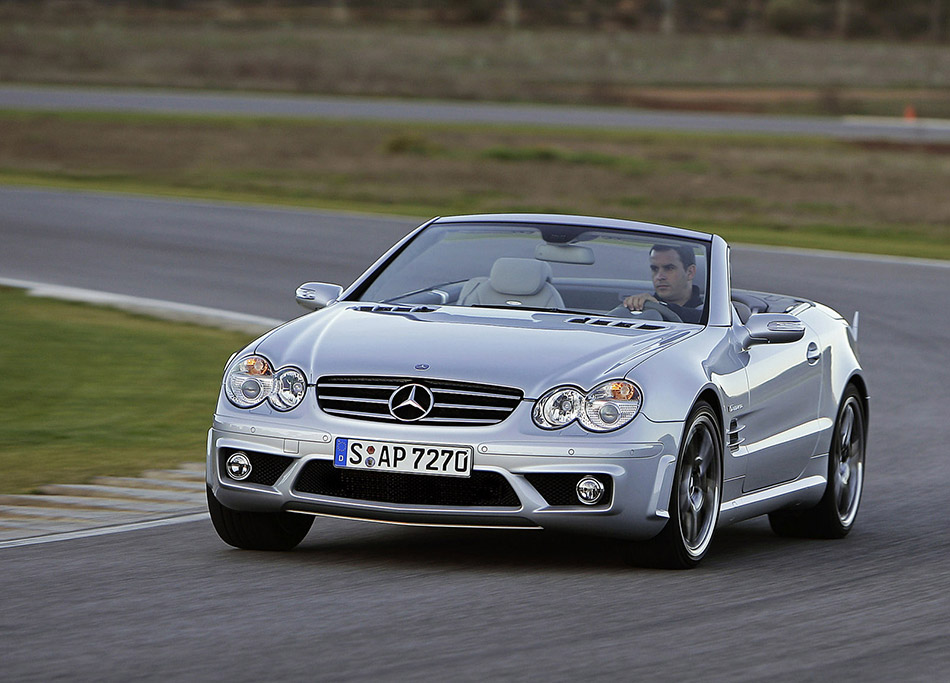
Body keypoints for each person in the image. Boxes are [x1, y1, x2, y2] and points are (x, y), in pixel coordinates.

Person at [623, 243, 704, 323]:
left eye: (669, 268)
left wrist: (658, 306)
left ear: (690, 272)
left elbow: (698, 317)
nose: (659, 276)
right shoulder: (641, 309)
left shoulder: (708, 315)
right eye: (655, 269)